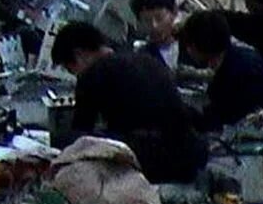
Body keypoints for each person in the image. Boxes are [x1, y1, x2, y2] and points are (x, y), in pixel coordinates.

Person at [53, 21, 207, 184]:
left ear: (79, 54)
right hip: (189, 157)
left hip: (149, 164)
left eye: (71, 69)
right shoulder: (147, 60)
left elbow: (80, 136)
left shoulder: (92, 74)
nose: (75, 75)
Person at [178, 9, 263, 129]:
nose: (188, 50)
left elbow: (227, 118)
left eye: (189, 45)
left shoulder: (243, 73)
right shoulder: (234, 59)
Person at [130, 0, 181, 70]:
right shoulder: (142, 59)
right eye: (147, 21)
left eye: (159, 18)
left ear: (174, 13)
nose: (154, 26)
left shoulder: (192, 44)